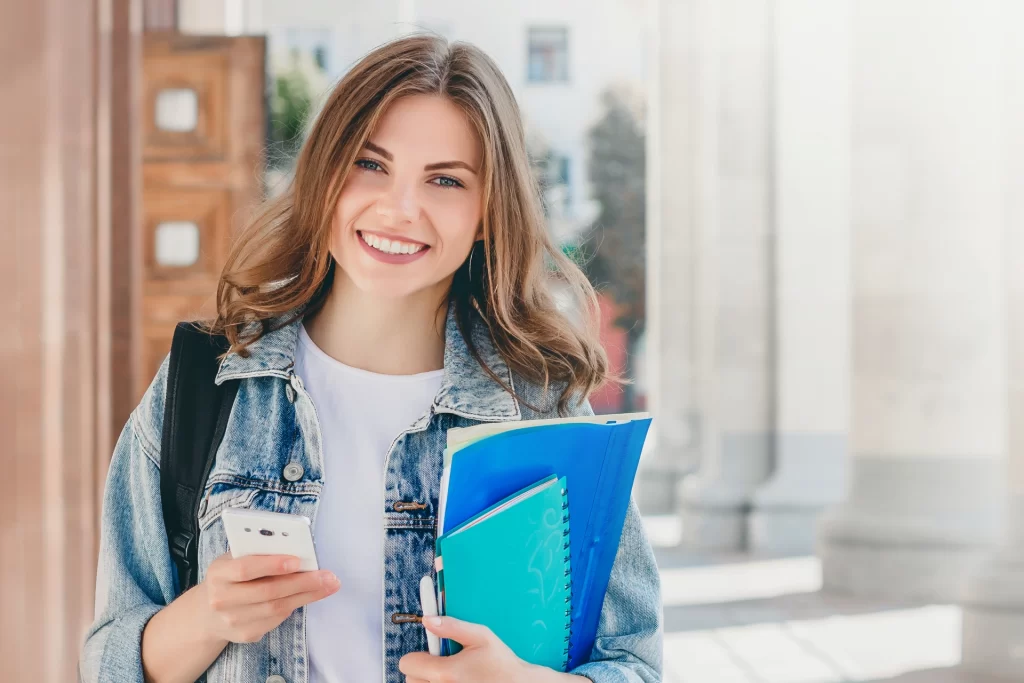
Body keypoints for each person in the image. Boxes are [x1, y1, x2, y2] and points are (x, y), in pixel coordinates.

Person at [80, 34, 661, 683]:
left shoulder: (540, 403)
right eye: (370, 164)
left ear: (488, 213)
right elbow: (107, 661)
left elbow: (634, 661)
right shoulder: (212, 378)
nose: (399, 207)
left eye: (444, 179)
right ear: (325, 174)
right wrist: (206, 615)